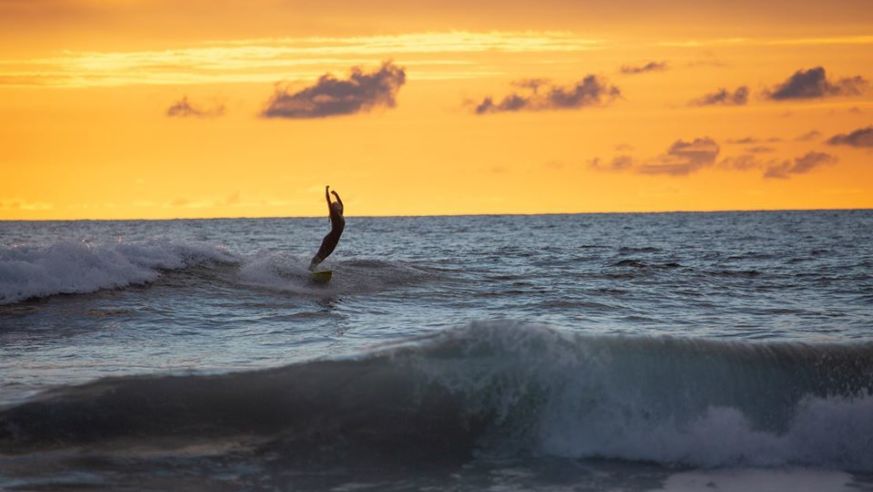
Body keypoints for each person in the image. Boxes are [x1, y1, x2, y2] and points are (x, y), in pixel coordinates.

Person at [309, 185, 344, 271]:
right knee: (319, 255)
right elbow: (328, 200)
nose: (338, 205)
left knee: (322, 257)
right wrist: (326, 190)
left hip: (335, 241)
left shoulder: (341, 214)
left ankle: (312, 270)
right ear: (333, 208)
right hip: (329, 239)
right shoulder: (334, 214)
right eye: (335, 205)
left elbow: (341, 203)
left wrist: (336, 194)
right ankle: (309, 270)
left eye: (337, 205)